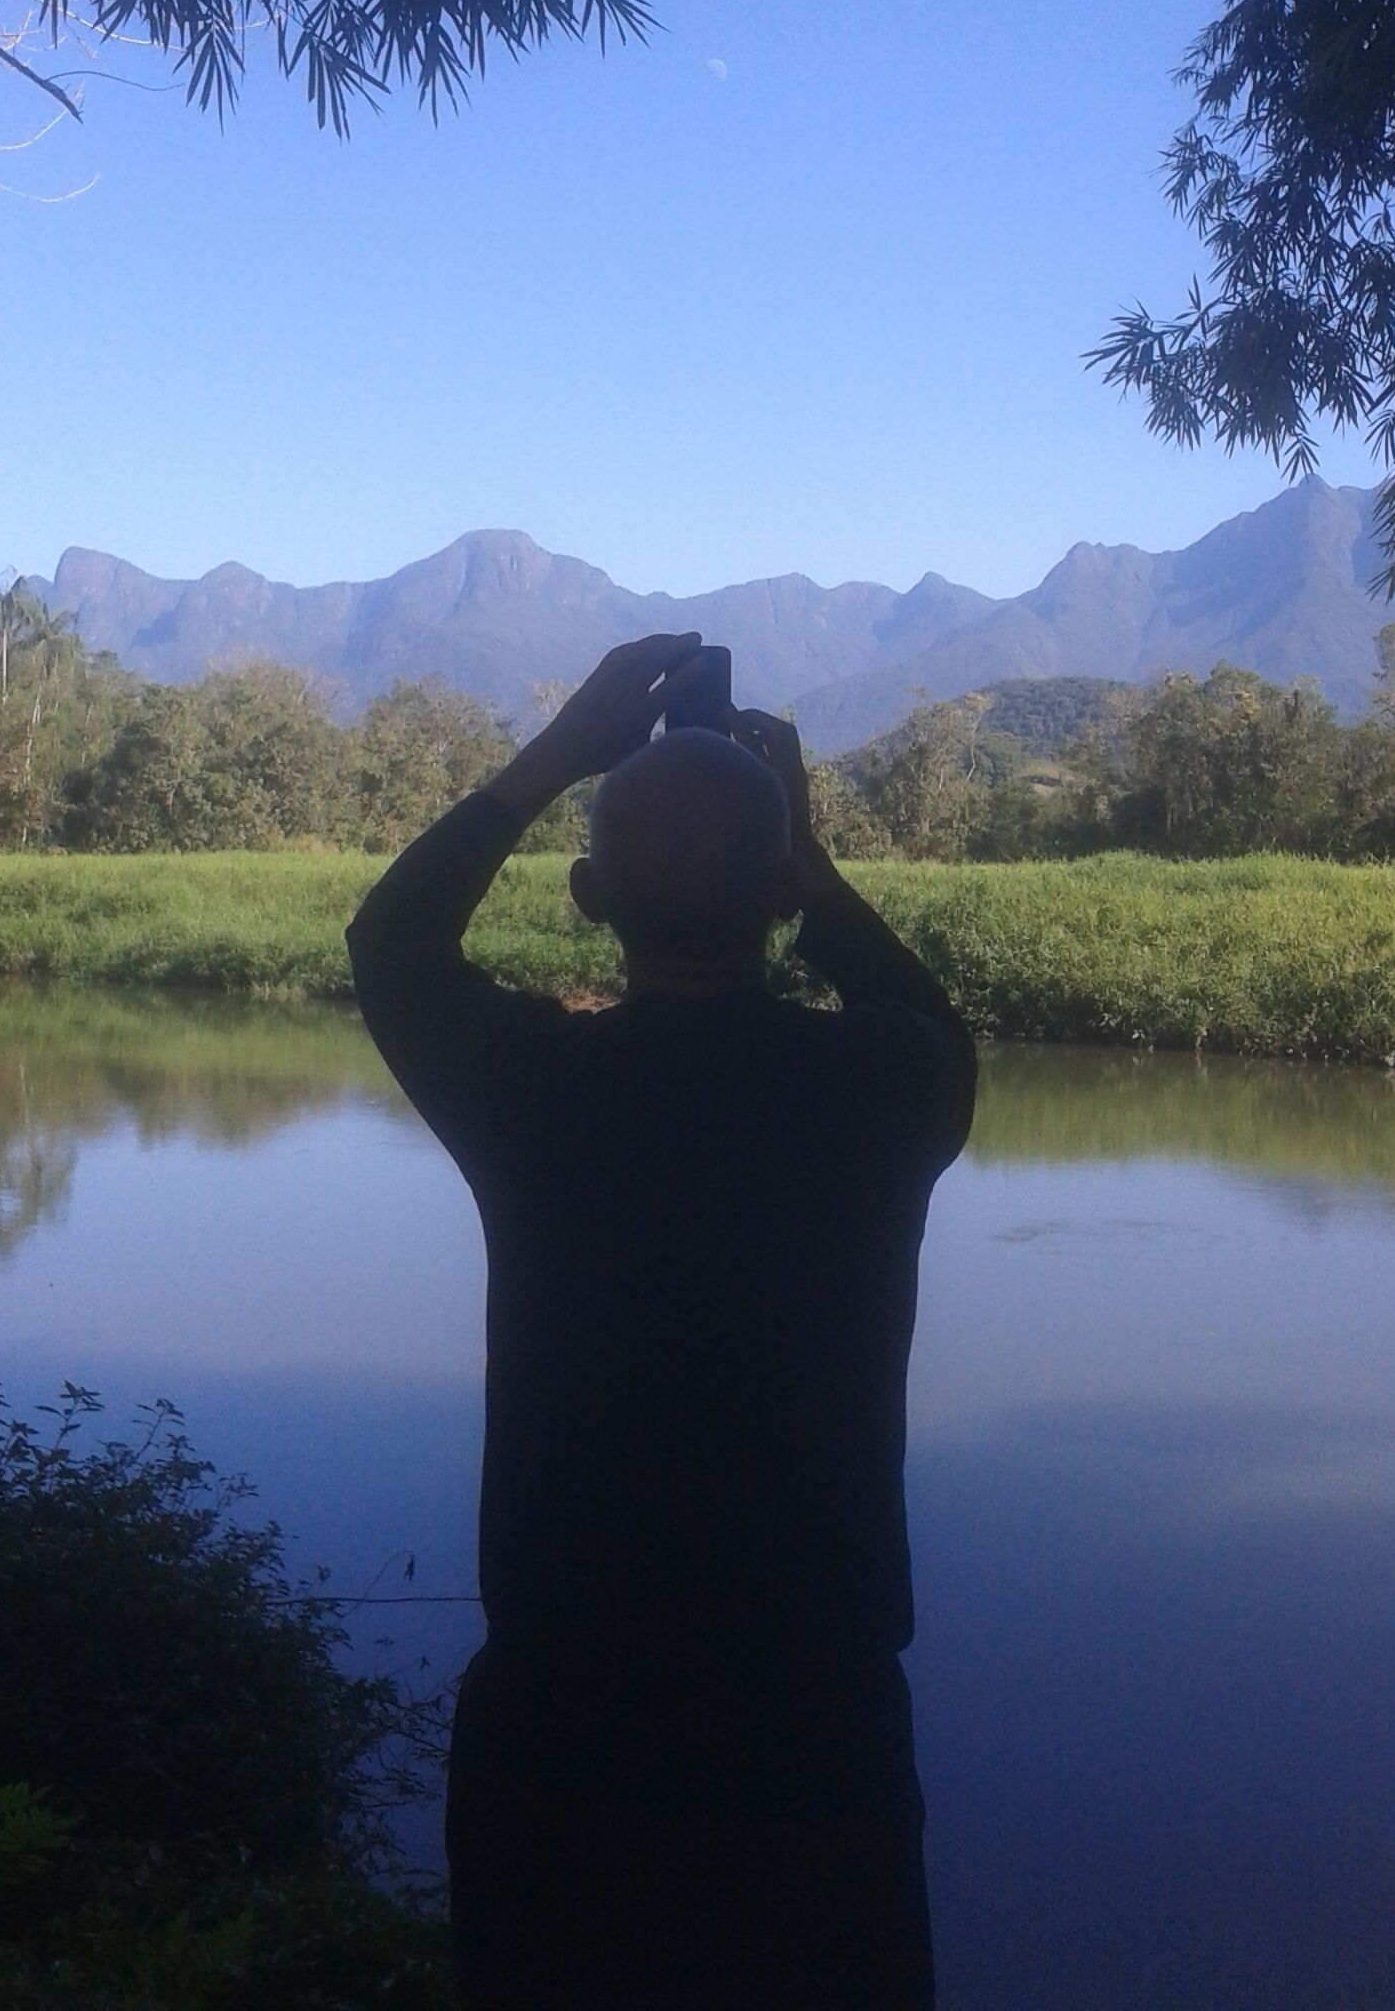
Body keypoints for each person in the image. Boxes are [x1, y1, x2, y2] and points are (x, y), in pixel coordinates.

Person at [346, 634, 977, 2009]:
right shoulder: (884, 1088)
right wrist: (806, 861)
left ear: (586, 901)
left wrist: (557, 752)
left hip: (568, 1713)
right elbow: (930, 1021)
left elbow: (390, 944)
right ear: (778, 889)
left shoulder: (533, 1088)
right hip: (818, 1726)